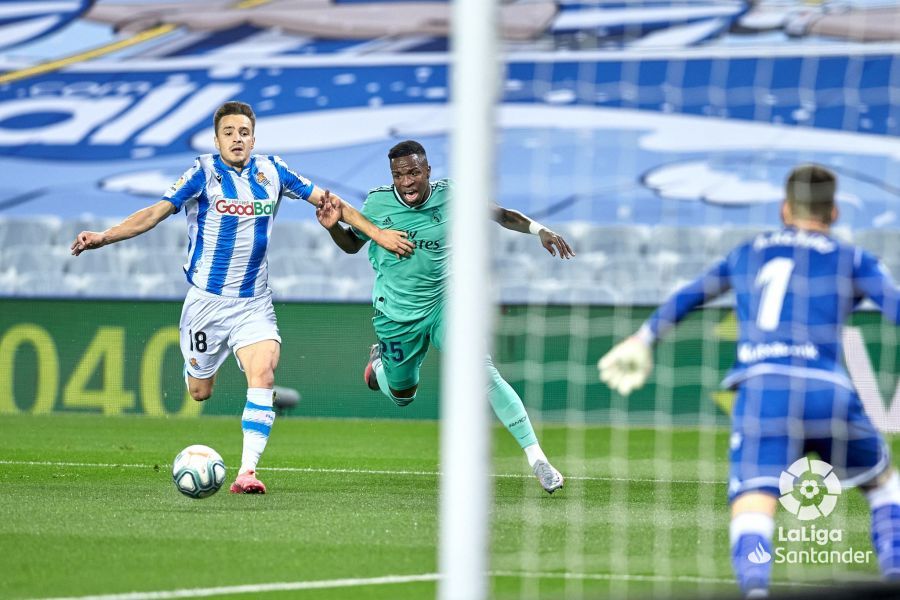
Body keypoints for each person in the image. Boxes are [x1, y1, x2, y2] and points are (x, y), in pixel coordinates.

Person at [71, 101, 414, 494]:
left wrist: (380, 235)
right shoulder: (202, 173)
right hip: (206, 303)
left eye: (244, 132)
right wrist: (103, 236)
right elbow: (154, 213)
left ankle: (246, 472)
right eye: (229, 133)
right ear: (217, 139)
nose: (237, 139)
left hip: (254, 303)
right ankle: (213, 374)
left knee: (264, 373)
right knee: (200, 391)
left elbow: (332, 203)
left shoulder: (274, 171)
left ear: (254, 138)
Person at [598, 164, 900, 597]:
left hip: (764, 390)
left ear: (783, 208)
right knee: (882, 483)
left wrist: (643, 338)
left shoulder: (747, 252)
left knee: (755, 501)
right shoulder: (851, 258)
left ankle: (756, 590)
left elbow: (690, 294)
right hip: (826, 390)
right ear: (833, 213)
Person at [314, 139, 575, 494]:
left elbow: (500, 215)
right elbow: (350, 245)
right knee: (403, 395)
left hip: (444, 306)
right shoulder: (376, 204)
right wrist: (332, 227)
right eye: (399, 175)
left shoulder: (452, 195)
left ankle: (538, 459)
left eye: (413, 173)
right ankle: (378, 367)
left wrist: (539, 230)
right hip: (396, 315)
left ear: (428, 172)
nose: (406, 181)